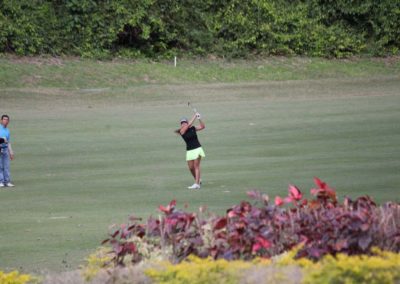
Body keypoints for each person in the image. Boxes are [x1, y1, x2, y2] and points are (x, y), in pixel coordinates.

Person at [175, 112, 205, 189]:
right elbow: (188, 126)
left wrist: (199, 118)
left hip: (198, 149)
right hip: (189, 151)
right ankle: (198, 180)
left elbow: (202, 126)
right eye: (182, 123)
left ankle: (197, 184)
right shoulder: (182, 131)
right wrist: (195, 116)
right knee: (191, 168)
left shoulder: (193, 128)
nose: (183, 124)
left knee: (196, 166)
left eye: (184, 122)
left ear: (187, 122)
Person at [0, 114, 15, 187]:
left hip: (5, 149)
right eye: (4, 119)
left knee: (6, 166)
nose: (6, 121)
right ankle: (1, 181)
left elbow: (8, 142)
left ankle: (7, 181)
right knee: (0, 166)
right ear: (1, 120)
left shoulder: (7, 131)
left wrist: (11, 151)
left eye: (7, 120)